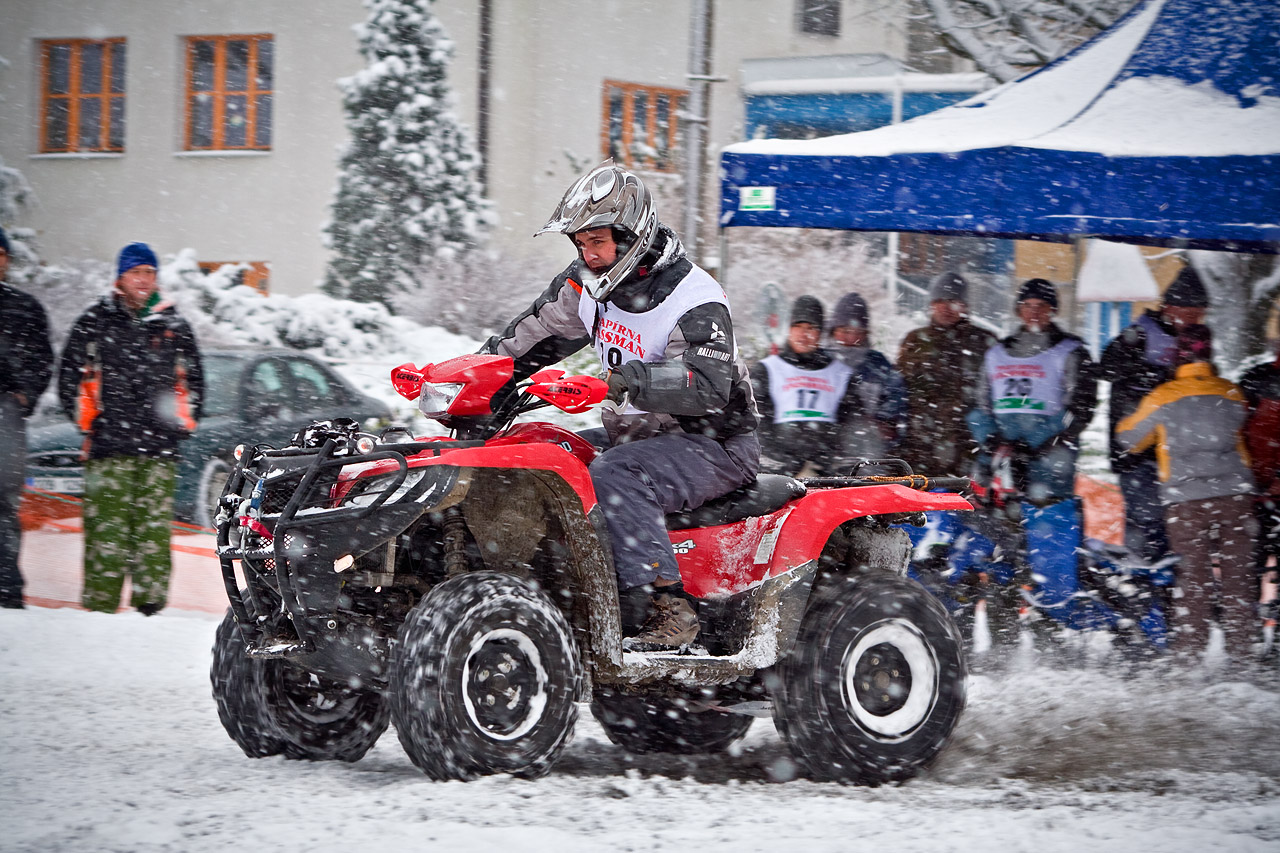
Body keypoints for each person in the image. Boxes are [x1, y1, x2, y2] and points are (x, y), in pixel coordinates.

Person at [479, 162, 759, 650]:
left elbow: (705, 385)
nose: (588, 255)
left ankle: (667, 608)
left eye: (598, 242)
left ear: (634, 236)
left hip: (713, 443)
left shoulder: (694, 298)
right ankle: (558, 591)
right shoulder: (584, 283)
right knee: (539, 455)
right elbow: (527, 339)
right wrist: (473, 375)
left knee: (615, 475)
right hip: (635, 435)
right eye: (580, 244)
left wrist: (620, 383)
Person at [57, 243, 204, 615]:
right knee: (106, 535)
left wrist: (177, 426)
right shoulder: (95, 321)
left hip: (159, 453)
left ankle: (149, 612)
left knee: (153, 536)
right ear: (120, 278)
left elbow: (195, 383)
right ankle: (100, 610)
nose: (143, 279)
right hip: (108, 451)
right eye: (136, 272)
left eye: (150, 272)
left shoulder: (173, 326)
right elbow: (70, 379)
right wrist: (92, 424)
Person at [1117, 325, 1258, 663]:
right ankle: (1243, 655)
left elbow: (1129, 438)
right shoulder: (1232, 393)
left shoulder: (1164, 395)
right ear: (1209, 354)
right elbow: (1244, 435)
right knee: (1238, 577)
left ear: (1178, 356)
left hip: (1185, 500)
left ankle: (1190, 655)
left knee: (1193, 579)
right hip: (1235, 495)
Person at [967, 278, 1097, 628]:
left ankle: (1052, 631)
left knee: (1049, 556)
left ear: (1053, 310)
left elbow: (1079, 410)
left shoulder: (1070, 351)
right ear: (1018, 310)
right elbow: (978, 406)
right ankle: (1001, 629)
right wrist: (991, 439)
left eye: (1042, 305)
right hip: (1003, 470)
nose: (1034, 312)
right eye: (1028, 305)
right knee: (999, 551)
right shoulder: (996, 353)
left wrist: (1035, 443)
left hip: (1049, 471)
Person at [1099, 265, 1209, 563]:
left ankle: (1164, 587)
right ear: (1168, 306)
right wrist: (1157, 377)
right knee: (1145, 524)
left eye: (1198, 315)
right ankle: (1141, 585)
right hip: (1137, 450)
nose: (1192, 321)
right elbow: (1106, 369)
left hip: (1176, 452)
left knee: (1174, 528)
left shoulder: (1197, 341)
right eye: (1188, 314)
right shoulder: (1140, 333)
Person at [0, 226, 54, 609]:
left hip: (6, 414)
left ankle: (7, 587)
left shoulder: (23, 307)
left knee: (3, 504)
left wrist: (24, 396)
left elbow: (42, 360)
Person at [897, 271, 996, 477]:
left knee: (966, 503)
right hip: (920, 446)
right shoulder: (915, 341)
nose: (946, 307)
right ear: (931, 304)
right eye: (940, 300)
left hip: (968, 443)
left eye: (953, 301)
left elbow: (994, 393)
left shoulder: (983, 343)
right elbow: (899, 389)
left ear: (965, 306)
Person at [751, 295, 858, 476]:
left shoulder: (841, 374)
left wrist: (826, 463)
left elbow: (852, 427)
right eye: (798, 326)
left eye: (811, 328)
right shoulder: (767, 370)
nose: (803, 334)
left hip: (825, 475)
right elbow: (756, 424)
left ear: (821, 333)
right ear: (789, 329)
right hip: (778, 473)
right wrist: (789, 465)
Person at [825, 291, 907, 460]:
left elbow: (897, 402)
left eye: (858, 331)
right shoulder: (820, 361)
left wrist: (880, 424)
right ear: (834, 330)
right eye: (845, 330)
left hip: (869, 456)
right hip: (823, 454)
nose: (852, 337)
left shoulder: (878, 364)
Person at [1240, 339, 1280, 589]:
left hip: (1257, 486)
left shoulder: (1254, 378)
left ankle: (1246, 615)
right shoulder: (1255, 378)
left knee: (1252, 558)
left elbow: (1234, 430)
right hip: (1259, 487)